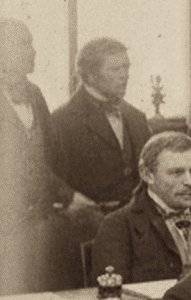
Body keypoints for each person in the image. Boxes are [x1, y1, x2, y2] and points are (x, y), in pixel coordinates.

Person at [0, 18, 101, 293]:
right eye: (24, 44)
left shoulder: (34, 93)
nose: (33, 52)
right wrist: (68, 196)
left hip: (42, 223)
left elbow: (51, 158)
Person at [50, 37, 152, 208]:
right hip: (89, 223)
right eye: (114, 69)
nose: (124, 75)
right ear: (90, 76)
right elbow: (56, 182)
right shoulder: (62, 120)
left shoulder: (136, 117)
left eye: (126, 67)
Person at [92, 132, 191, 283]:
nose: (189, 181)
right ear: (147, 174)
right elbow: (113, 295)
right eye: (177, 172)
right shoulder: (117, 227)